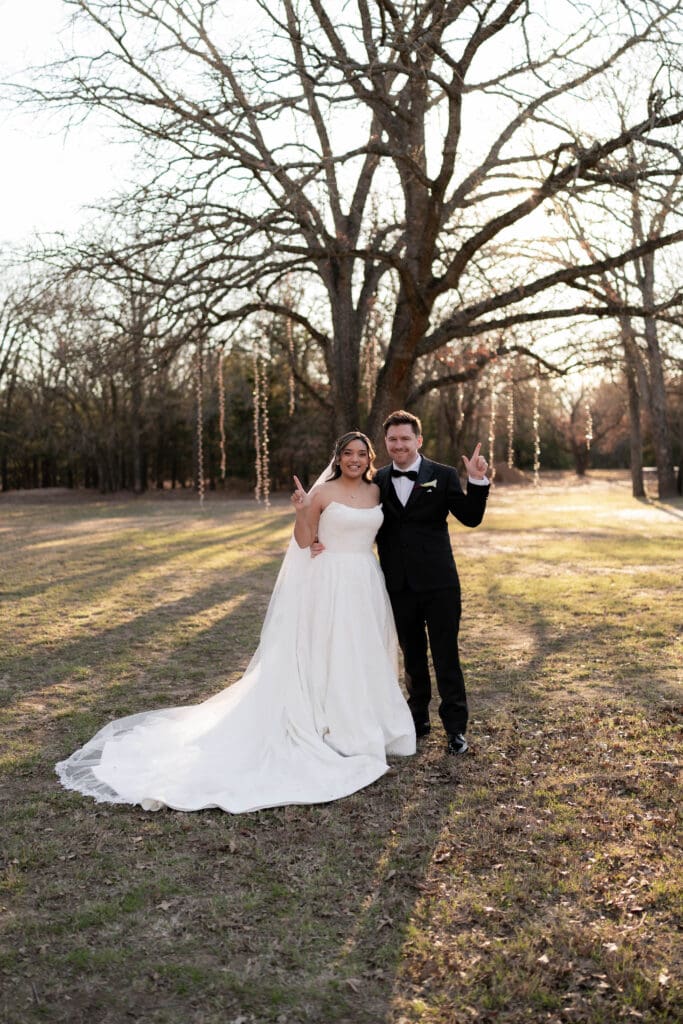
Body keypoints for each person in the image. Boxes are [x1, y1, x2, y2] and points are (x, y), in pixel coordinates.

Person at [55, 431, 415, 813]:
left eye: (361, 454)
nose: (355, 459)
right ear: (338, 457)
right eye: (348, 453)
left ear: (370, 458)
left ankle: (368, 722)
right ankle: (331, 725)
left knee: (361, 652)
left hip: (364, 581)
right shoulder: (322, 493)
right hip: (329, 582)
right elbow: (303, 540)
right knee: (330, 651)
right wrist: (301, 512)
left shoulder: (377, 491)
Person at [374, 410, 489, 755]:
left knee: (445, 656)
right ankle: (418, 719)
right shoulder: (376, 480)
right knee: (412, 657)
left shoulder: (443, 474)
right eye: (393, 439)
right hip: (398, 585)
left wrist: (477, 482)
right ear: (386, 442)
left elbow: (471, 517)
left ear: (418, 440)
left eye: (405, 438)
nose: (399, 445)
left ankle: (455, 729)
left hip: (440, 584)